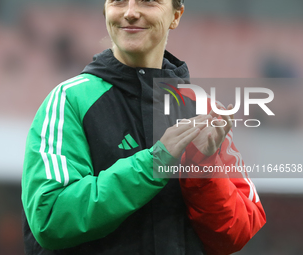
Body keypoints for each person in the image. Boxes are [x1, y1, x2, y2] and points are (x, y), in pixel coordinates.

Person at [21, 0, 266, 254]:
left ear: (176, 15)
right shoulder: (70, 100)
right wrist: (154, 163)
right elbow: (50, 218)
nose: (130, 12)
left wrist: (202, 165)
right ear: (105, 10)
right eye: (118, 2)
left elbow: (237, 233)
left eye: (148, 1)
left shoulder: (203, 108)